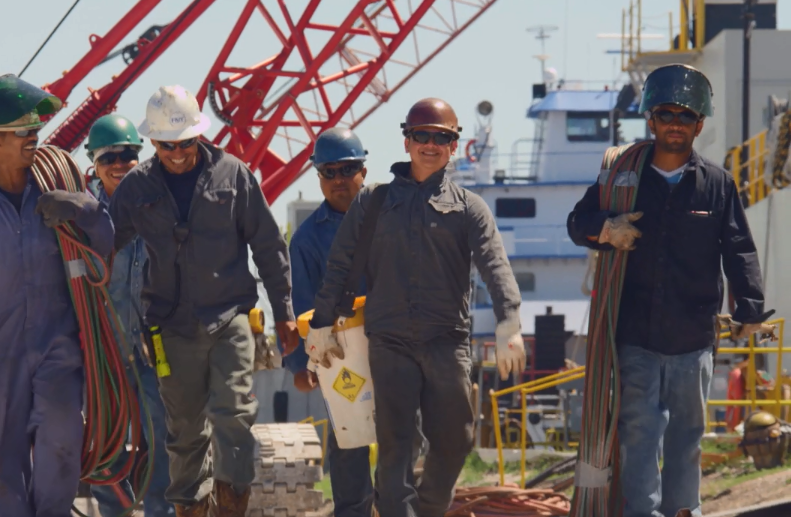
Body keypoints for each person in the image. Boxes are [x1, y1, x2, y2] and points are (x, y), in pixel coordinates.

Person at [305, 98, 525, 517]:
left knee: (456, 439)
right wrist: (320, 324)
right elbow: (339, 265)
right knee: (396, 446)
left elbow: (495, 265)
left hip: (447, 343)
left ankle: (427, 511)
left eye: (441, 137)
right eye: (421, 135)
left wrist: (508, 322)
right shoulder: (372, 202)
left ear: (453, 146)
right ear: (406, 142)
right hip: (390, 344)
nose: (430, 144)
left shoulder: (468, 208)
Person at [566, 63, 767, 517]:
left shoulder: (717, 184)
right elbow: (577, 223)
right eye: (667, 114)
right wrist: (606, 229)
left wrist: (750, 306)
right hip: (635, 336)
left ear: (699, 125)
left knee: (687, 437)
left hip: (693, 340)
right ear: (651, 120)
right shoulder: (620, 178)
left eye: (686, 116)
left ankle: (684, 512)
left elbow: (739, 248)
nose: (675, 123)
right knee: (639, 433)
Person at [0, 74, 115, 517]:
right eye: (24, 131)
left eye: (35, 129)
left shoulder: (58, 187)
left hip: (58, 348)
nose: (35, 138)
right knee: (6, 469)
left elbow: (104, 243)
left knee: (62, 448)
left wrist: (83, 209)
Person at [108, 85, 299, 517]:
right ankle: (190, 509)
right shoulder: (137, 187)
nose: (177, 154)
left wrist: (284, 313)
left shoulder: (232, 174)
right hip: (169, 328)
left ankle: (232, 506)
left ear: (200, 135)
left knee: (234, 413)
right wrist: (79, 217)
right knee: (184, 430)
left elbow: (269, 246)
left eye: (185, 143)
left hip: (229, 316)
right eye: (166, 145)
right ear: (153, 143)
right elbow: (103, 241)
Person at [83, 113, 174, 517]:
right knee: (110, 447)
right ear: (93, 163)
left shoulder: (161, 204)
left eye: (127, 155)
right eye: (109, 158)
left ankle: (161, 512)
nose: (119, 164)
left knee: (164, 441)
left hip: (156, 351)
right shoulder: (81, 217)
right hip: (105, 357)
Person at [286, 127, 375, 517]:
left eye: (348, 169)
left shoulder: (392, 219)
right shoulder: (306, 240)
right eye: (329, 172)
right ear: (318, 177)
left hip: (396, 346)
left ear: (364, 171)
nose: (339, 179)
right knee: (349, 439)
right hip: (340, 354)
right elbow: (300, 305)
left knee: (407, 438)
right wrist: (300, 366)